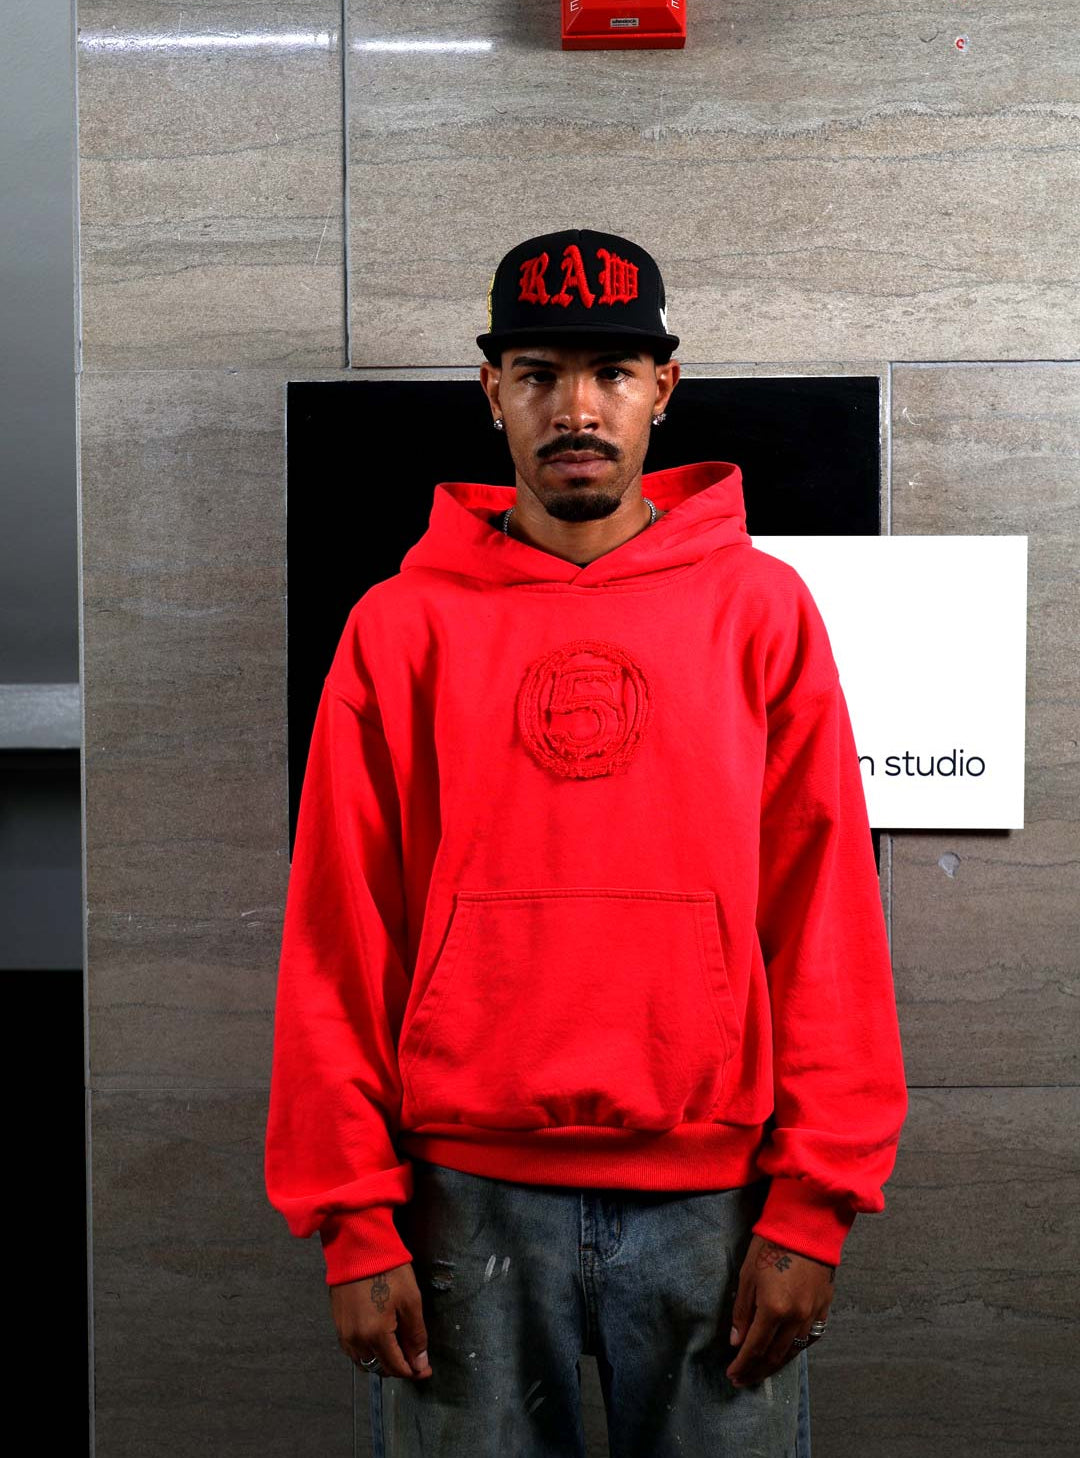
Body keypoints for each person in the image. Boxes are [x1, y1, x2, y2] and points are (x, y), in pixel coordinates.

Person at [264, 227, 908, 1457]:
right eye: (540, 371)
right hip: (460, 1201)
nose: (576, 407)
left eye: (612, 373)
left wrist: (814, 1208)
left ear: (665, 389)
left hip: (718, 1198)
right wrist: (353, 1216)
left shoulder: (760, 614)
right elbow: (340, 935)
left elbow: (821, 914)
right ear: (489, 387)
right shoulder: (401, 629)